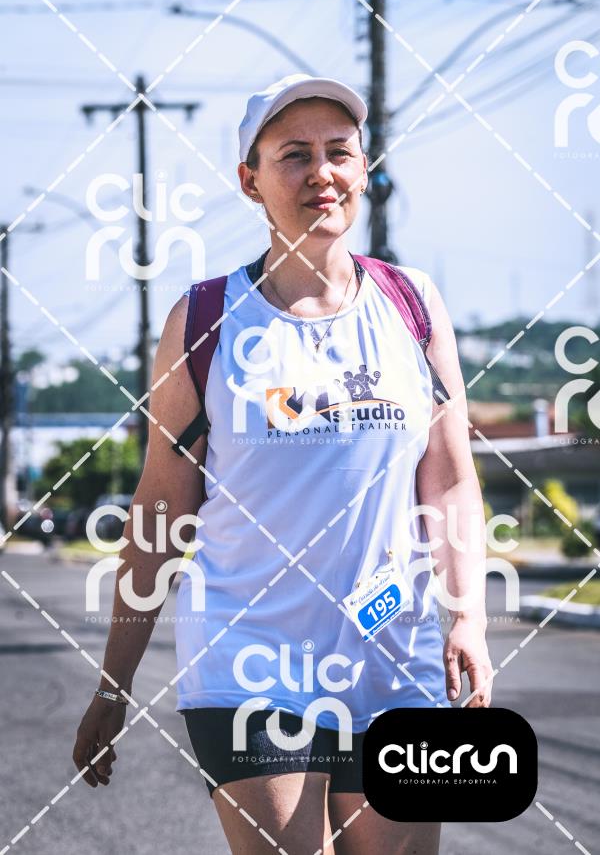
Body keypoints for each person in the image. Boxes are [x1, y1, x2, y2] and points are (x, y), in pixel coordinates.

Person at [73, 74, 493, 854]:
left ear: (363, 169)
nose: (321, 173)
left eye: (340, 152)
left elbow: (447, 476)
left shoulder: (413, 306)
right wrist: (113, 680)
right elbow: (163, 507)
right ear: (251, 181)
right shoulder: (205, 322)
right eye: (294, 155)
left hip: (394, 664)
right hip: (250, 665)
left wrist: (466, 614)